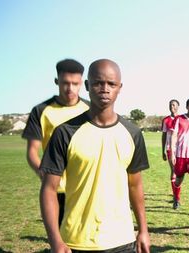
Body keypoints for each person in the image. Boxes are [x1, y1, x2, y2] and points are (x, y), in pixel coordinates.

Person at [39, 59, 150, 252]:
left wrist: (143, 230)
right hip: (75, 242)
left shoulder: (133, 133)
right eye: (98, 83)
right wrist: (55, 240)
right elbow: (49, 189)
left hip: (122, 241)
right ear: (88, 86)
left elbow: (135, 184)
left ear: (119, 88)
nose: (105, 89)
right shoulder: (65, 132)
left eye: (111, 84)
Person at [22, 58, 89, 226]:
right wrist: (44, 175)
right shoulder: (41, 110)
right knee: (61, 241)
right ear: (56, 81)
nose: (70, 88)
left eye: (75, 83)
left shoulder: (91, 109)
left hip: (86, 187)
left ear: (82, 83)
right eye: (65, 83)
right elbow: (32, 151)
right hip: (57, 189)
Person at [161, 99, 179, 196]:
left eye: (174, 105)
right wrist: (162, 150)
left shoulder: (181, 119)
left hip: (180, 149)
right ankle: (176, 196)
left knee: (179, 172)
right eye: (170, 105)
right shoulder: (166, 120)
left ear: (178, 107)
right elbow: (164, 136)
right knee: (174, 170)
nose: (172, 107)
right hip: (169, 148)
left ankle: (177, 192)